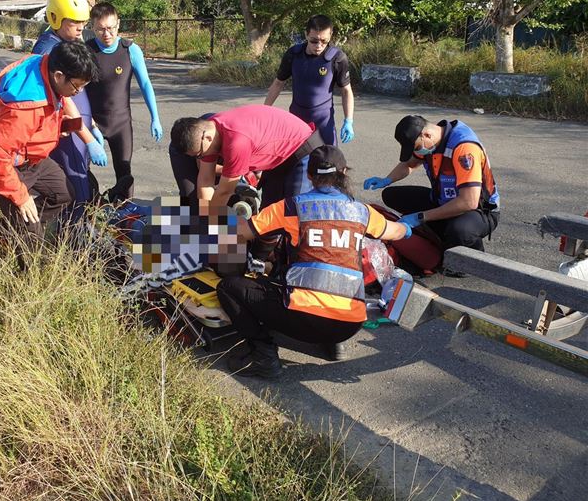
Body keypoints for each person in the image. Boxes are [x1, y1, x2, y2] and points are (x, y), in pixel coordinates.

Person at [216, 145, 412, 379]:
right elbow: (397, 232)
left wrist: (221, 217)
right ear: (344, 172)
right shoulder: (362, 212)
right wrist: (409, 227)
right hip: (349, 325)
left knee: (228, 287)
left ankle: (264, 356)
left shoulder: (291, 206)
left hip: (305, 319)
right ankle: (332, 344)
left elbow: (244, 233)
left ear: (309, 176)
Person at [0, 41, 100, 269]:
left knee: (63, 193)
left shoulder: (43, 65)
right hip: (7, 167)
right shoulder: (25, 107)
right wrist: (21, 197)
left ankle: (9, 229)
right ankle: (26, 271)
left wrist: (85, 129)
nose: (77, 92)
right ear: (59, 76)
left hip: (32, 157)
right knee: (32, 238)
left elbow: (51, 116)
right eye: (77, 86)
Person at [363, 115, 500, 255]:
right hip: (442, 200)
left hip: (478, 210)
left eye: (416, 147)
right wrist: (386, 180)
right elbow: (410, 164)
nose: (417, 152)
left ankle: (473, 255)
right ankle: (441, 233)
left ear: (427, 135)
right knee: (391, 195)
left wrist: (421, 217)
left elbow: (468, 202)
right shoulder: (431, 142)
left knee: (459, 230)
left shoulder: (464, 148)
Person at [33, 0, 108, 206]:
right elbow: (63, 101)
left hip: (80, 126)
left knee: (82, 183)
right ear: (55, 18)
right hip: (69, 131)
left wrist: (91, 124)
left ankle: (77, 233)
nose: (81, 28)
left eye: (83, 23)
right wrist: (88, 137)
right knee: (76, 189)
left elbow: (79, 92)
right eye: (74, 22)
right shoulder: (47, 50)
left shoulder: (69, 42)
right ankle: (73, 239)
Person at [169, 105, 324, 210]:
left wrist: (213, 225)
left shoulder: (236, 142)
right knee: (269, 213)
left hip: (303, 150)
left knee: (295, 211)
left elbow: (224, 192)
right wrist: (206, 218)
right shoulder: (211, 130)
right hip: (279, 158)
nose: (201, 158)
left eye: (200, 154)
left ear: (207, 138)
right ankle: (262, 257)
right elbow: (205, 181)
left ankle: (298, 258)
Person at [85, 2, 162, 199]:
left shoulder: (130, 50)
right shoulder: (86, 52)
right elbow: (76, 93)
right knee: (81, 172)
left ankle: (126, 216)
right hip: (92, 123)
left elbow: (145, 83)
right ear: (92, 27)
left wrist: (155, 117)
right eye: (100, 29)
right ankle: (88, 212)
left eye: (110, 28)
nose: (106, 34)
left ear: (118, 24)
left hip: (120, 124)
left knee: (124, 174)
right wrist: (90, 128)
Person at [263, 15, 355, 146]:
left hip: (324, 123)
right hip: (297, 121)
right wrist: (264, 111)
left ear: (331, 35)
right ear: (306, 35)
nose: (319, 45)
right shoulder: (293, 55)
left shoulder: (337, 58)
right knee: (297, 165)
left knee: (327, 164)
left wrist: (348, 120)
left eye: (324, 41)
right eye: (314, 41)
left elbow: (346, 91)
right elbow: (278, 83)